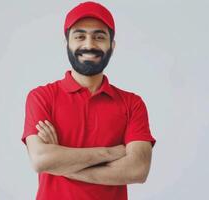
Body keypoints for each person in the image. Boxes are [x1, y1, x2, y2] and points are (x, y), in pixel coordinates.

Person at [21, 1, 156, 200]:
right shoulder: (42, 97)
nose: (89, 45)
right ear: (67, 43)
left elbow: (138, 170)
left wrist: (61, 164)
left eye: (99, 37)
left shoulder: (132, 103)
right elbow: (41, 159)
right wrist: (112, 152)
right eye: (80, 36)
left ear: (112, 45)